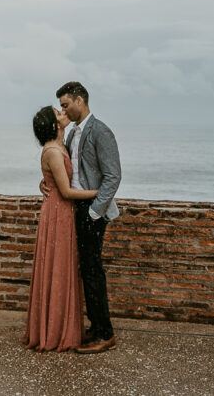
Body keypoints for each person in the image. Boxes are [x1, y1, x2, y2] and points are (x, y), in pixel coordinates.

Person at [51, 81, 122, 354]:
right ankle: (95, 326)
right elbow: (67, 169)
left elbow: (113, 176)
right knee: (85, 270)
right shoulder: (71, 134)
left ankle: (105, 333)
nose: (63, 110)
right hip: (76, 208)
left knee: (93, 271)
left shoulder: (101, 131)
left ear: (80, 100)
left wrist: (94, 212)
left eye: (66, 104)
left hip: (93, 211)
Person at [22, 105, 98, 352]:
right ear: (54, 125)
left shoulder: (59, 145)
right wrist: (100, 193)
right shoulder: (54, 151)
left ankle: (60, 326)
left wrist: (44, 183)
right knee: (58, 266)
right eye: (58, 114)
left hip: (60, 211)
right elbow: (65, 191)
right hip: (58, 212)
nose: (63, 113)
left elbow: (53, 180)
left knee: (61, 266)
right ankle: (55, 331)